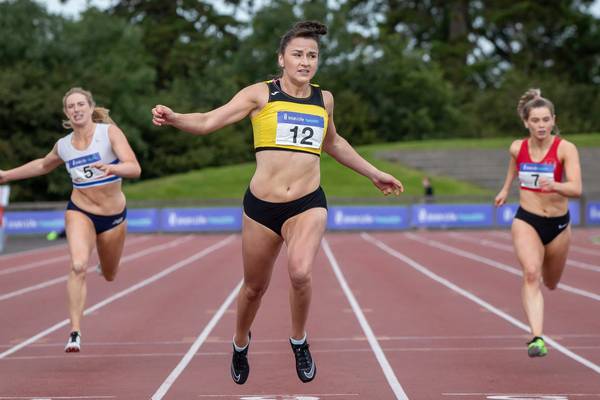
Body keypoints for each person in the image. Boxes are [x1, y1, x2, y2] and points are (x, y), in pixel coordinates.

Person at [152, 20, 403, 384]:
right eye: (298, 54)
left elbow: (333, 143)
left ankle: (298, 340)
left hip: (307, 203)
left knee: (300, 272)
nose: (305, 62)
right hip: (261, 207)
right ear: (281, 58)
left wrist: (373, 172)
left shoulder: (324, 99)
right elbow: (208, 121)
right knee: (254, 287)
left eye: (312, 56)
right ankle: (240, 343)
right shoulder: (260, 95)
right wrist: (175, 118)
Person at [0, 87, 141, 352]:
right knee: (77, 266)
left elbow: (134, 167)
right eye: (71, 106)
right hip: (80, 210)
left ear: (90, 107)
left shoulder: (108, 134)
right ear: (66, 113)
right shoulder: (63, 146)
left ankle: (104, 267)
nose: (76, 109)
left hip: (112, 217)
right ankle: (75, 331)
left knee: (110, 274)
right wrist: (6, 175)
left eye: (80, 104)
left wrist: (113, 167)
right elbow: (43, 165)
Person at [494, 88, 582, 357]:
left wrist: (555, 184)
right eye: (535, 121)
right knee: (531, 273)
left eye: (546, 120)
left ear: (554, 120)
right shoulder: (517, 147)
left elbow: (576, 188)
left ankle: (548, 274)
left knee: (551, 282)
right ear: (526, 122)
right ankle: (537, 338)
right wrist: (505, 189)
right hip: (527, 219)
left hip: (557, 225)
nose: (541, 125)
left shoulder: (565, 148)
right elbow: (514, 166)